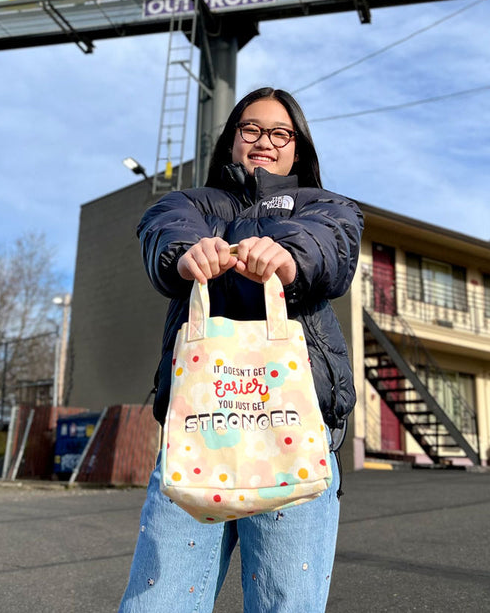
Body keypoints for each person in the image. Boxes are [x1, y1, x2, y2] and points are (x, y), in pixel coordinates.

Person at [119, 87, 362, 613]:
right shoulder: (191, 203)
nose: (264, 142)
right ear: (231, 140)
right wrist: (189, 253)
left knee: (286, 604)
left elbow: (331, 245)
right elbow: (163, 230)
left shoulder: (326, 206)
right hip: (197, 430)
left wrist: (288, 256)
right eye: (250, 129)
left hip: (292, 428)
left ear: (298, 147)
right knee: (156, 602)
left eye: (280, 133)